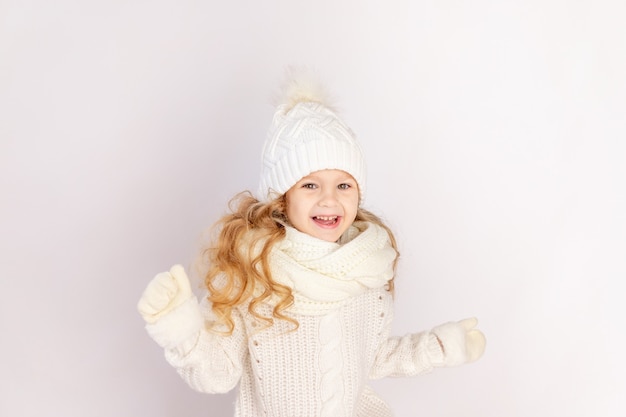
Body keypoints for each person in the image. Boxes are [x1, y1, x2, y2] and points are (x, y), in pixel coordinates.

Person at [137, 69, 486, 417]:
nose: (329, 200)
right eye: (310, 185)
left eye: (344, 185)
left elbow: (372, 357)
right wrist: (181, 328)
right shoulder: (251, 274)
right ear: (281, 197)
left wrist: (438, 346)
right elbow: (217, 374)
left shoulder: (368, 270)